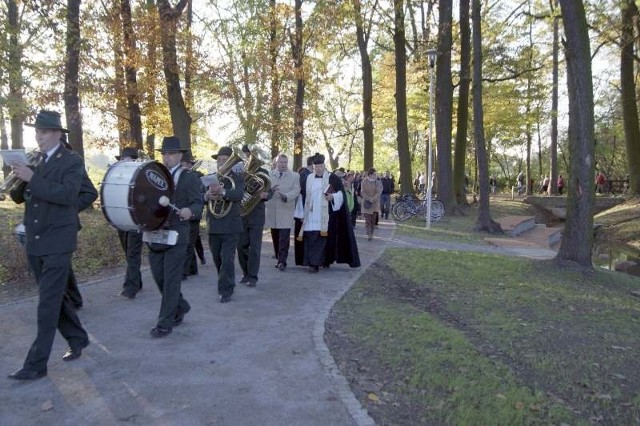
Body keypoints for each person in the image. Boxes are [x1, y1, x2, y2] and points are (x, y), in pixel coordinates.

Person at [8, 110, 90, 380]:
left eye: (43, 132)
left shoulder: (71, 161)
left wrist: (34, 178)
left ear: (57, 134)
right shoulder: (36, 159)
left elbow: (67, 194)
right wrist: (19, 177)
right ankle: (77, 338)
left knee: (46, 302)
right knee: (55, 297)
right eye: (37, 132)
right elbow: (19, 198)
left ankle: (36, 364)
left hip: (58, 240)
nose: (39, 136)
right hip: (35, 238)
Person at [146, 136, 203, 338]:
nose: (167, 157)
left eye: (171, 153)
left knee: (171, 280)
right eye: (164, 154)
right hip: (155, 232)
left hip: (177, 233)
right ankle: (181, 306)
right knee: (159, 276)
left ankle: (165, 323)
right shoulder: (155, 176)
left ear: (180, 155)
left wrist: (190, 210)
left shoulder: (190, 178)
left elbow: (198, 204)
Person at [301, 153, 360, 272]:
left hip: (327, 215)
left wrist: (333, 197)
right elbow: (304, 196)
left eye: (320, 166)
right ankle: (312, 262)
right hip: (312, 214)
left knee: (322, 240)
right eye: (316, 167)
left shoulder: (332, 178)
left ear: (324, 165)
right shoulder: (309, 178)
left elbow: (340, 194)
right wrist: (302, 213)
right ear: (313, 167)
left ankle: (317, 263)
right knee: (312, 238)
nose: (318, 169)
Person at [62, 133, 98, 310]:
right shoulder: (40, 162)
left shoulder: (72, 163)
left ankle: (72, 300)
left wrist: (70, 209)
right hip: (44, 225)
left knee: (61, 264)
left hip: (66, 224)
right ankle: (70, 299)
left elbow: (91, 193)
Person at [205, 146, 244, 303]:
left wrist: (223, 192)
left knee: (227, 259)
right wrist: (207, 195)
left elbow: (239, 194)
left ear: (230, 162)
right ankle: (225, 282)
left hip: (231, 226)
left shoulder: (237, 178)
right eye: (219, 160)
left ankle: (226, 290)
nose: (221, 163)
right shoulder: (211, 177)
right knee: (217, 259)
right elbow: (201, 197)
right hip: (214, 224)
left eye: (224, 160)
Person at [236, 144, 270, 287]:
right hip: (242, 213)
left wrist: (266, 194)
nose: (248, 157)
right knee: (241, 245)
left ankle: (253, 277)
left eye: (250, 154)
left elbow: (269, 188)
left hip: (256, 214)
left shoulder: (263, 172)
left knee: (255, 247)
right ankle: (245, 273)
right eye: (246, 155)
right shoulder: (238, 171)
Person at [114, 147, 145, 299]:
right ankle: (137, 281)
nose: (124, 163)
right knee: (128, 252)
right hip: (121, 218)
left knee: (133, 253)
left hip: (136, 219)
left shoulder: (141, 177)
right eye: (122, 160)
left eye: (127, 160)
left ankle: (130, 288)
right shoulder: (117, 177)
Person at [265, 153, 300, 272]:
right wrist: (270, 190)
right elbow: (264, 190)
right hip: (273, 210)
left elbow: (296, 190)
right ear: (276, 163)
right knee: (275, 236)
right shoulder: (269, 175)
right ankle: (278, 257)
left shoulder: (295, 176)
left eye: (285, 162)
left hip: (286, 209)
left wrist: (286, 196)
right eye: (281, 162)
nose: (283, 164)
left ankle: (282, 261)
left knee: (284, 237)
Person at [180, 151, 205, 279]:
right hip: (182, 213)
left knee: (189, 243)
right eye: (182, 163)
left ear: (190, 164)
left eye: (185, 164)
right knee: (189, 242)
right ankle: (193, 268)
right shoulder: (178, 176)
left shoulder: (198, 176)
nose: (183, 166)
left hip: (194, 214)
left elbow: (200, 195)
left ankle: (184, 272)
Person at [294, 155, 313, 266]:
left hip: (310, 209)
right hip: (303, 209)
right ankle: (303, 259)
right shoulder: (303, 175)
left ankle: (309, 259)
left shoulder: (311, 174)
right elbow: (301, 194)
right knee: (303, 236)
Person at [360, 168, 383, 241]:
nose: (376, 176)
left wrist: (372, 199)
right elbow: (362, 192)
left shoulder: (377, 182)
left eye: (376, 174)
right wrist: (368, 198)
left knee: (373, 220)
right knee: (367, 220)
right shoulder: (364, 182)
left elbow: (378, 192)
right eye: (374, 174)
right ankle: (368, 234)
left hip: (374, 204)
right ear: (370, 175)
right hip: (367, 204)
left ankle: (372, 233)